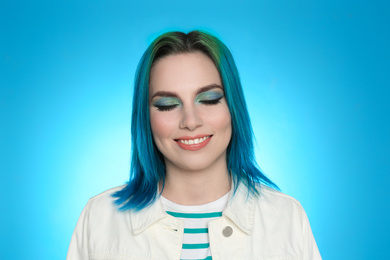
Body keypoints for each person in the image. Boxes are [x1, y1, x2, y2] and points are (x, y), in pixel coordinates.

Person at [67, 30, 322, 260]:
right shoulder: (100, 219)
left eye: (209, 99)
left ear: (233, 108)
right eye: (167, 104)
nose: (190, 121)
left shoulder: (286, 218)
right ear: (146, 118)